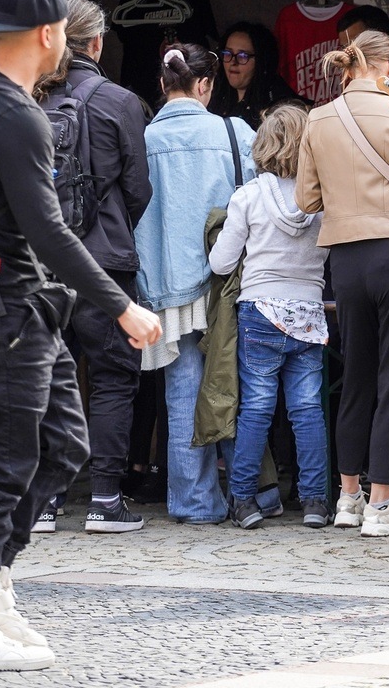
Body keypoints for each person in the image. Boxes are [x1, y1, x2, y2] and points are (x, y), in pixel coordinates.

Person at [0, 0, 160, 672]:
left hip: (21, 305)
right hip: (3, 308)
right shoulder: (10, 114)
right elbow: (47, 230)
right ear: (50, 36)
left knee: (62, 446)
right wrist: (122, 305)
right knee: (4, 462)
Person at [297, 29, 389, 538]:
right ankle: (382, 504)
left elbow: (306, 200)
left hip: (346, 260)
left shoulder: (318, 119)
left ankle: (348, 497)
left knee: (357, 376)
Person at [29, 0, 153, 535]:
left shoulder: (28, 98)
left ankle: (45, 503)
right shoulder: (120, 101)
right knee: (113, 380)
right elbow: (139, 190)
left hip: (40, 265)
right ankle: (105, 500)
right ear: (97, 42)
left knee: (46, 380)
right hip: (105, 264)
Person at [135, 42, 266, 525]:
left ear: (162, 84)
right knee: (240, 387)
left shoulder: (142, 139)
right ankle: (255, 493)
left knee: (182, 392)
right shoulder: (235, 132)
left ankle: (195, 502)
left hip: (165, 283)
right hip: (227, 282)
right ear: (206, 85)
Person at [209, 104, 330, 530]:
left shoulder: (248, 196)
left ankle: (244, 501)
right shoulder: (323, 199)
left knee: (257, 408)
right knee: (308, 409)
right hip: (309, 311)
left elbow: (222, 263)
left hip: (260, 311)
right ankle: (315, 502)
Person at [208, 22, 301, 130]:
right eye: (228, 53)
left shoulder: (279, 104)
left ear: (262, 60)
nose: (233, 62)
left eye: (243, 56)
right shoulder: (215, 92)